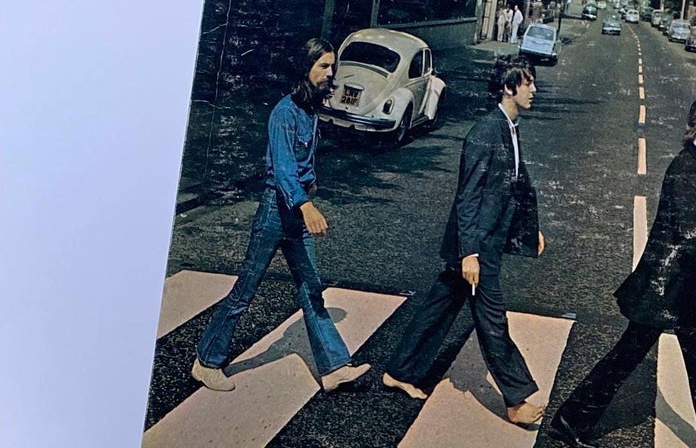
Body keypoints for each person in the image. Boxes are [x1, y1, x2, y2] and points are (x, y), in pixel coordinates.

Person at [551, 89, 696, 448]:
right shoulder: (687, 168)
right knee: (627, 356)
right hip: (667, 287)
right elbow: (693, 240)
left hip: (681, 285)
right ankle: (571, 419)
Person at [191, 38, 370, 394]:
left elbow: (303, 165)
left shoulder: (309, 109)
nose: (330, 73)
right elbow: (285, 169)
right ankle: (206, 361)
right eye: (323, 66)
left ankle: (333, 367)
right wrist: (306, 205)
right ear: (304, 68)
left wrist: (309, 193)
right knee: (246, 289)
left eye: (332, 66)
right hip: (277, 211)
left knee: (312, 289)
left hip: (296, 212)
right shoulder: (284, 113)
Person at [382, 60, 547, 425]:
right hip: (478, 244)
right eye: (528, 83)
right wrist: (469, 252)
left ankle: (400, 371)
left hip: (486, 238)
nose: (533, 89)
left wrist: (529, 228)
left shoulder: (509, 127)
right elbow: (468, 197)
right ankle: (517, 398)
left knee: (440, 305)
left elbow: (517, 184)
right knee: (492, 320)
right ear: (508, 87)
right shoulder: (486, 132)